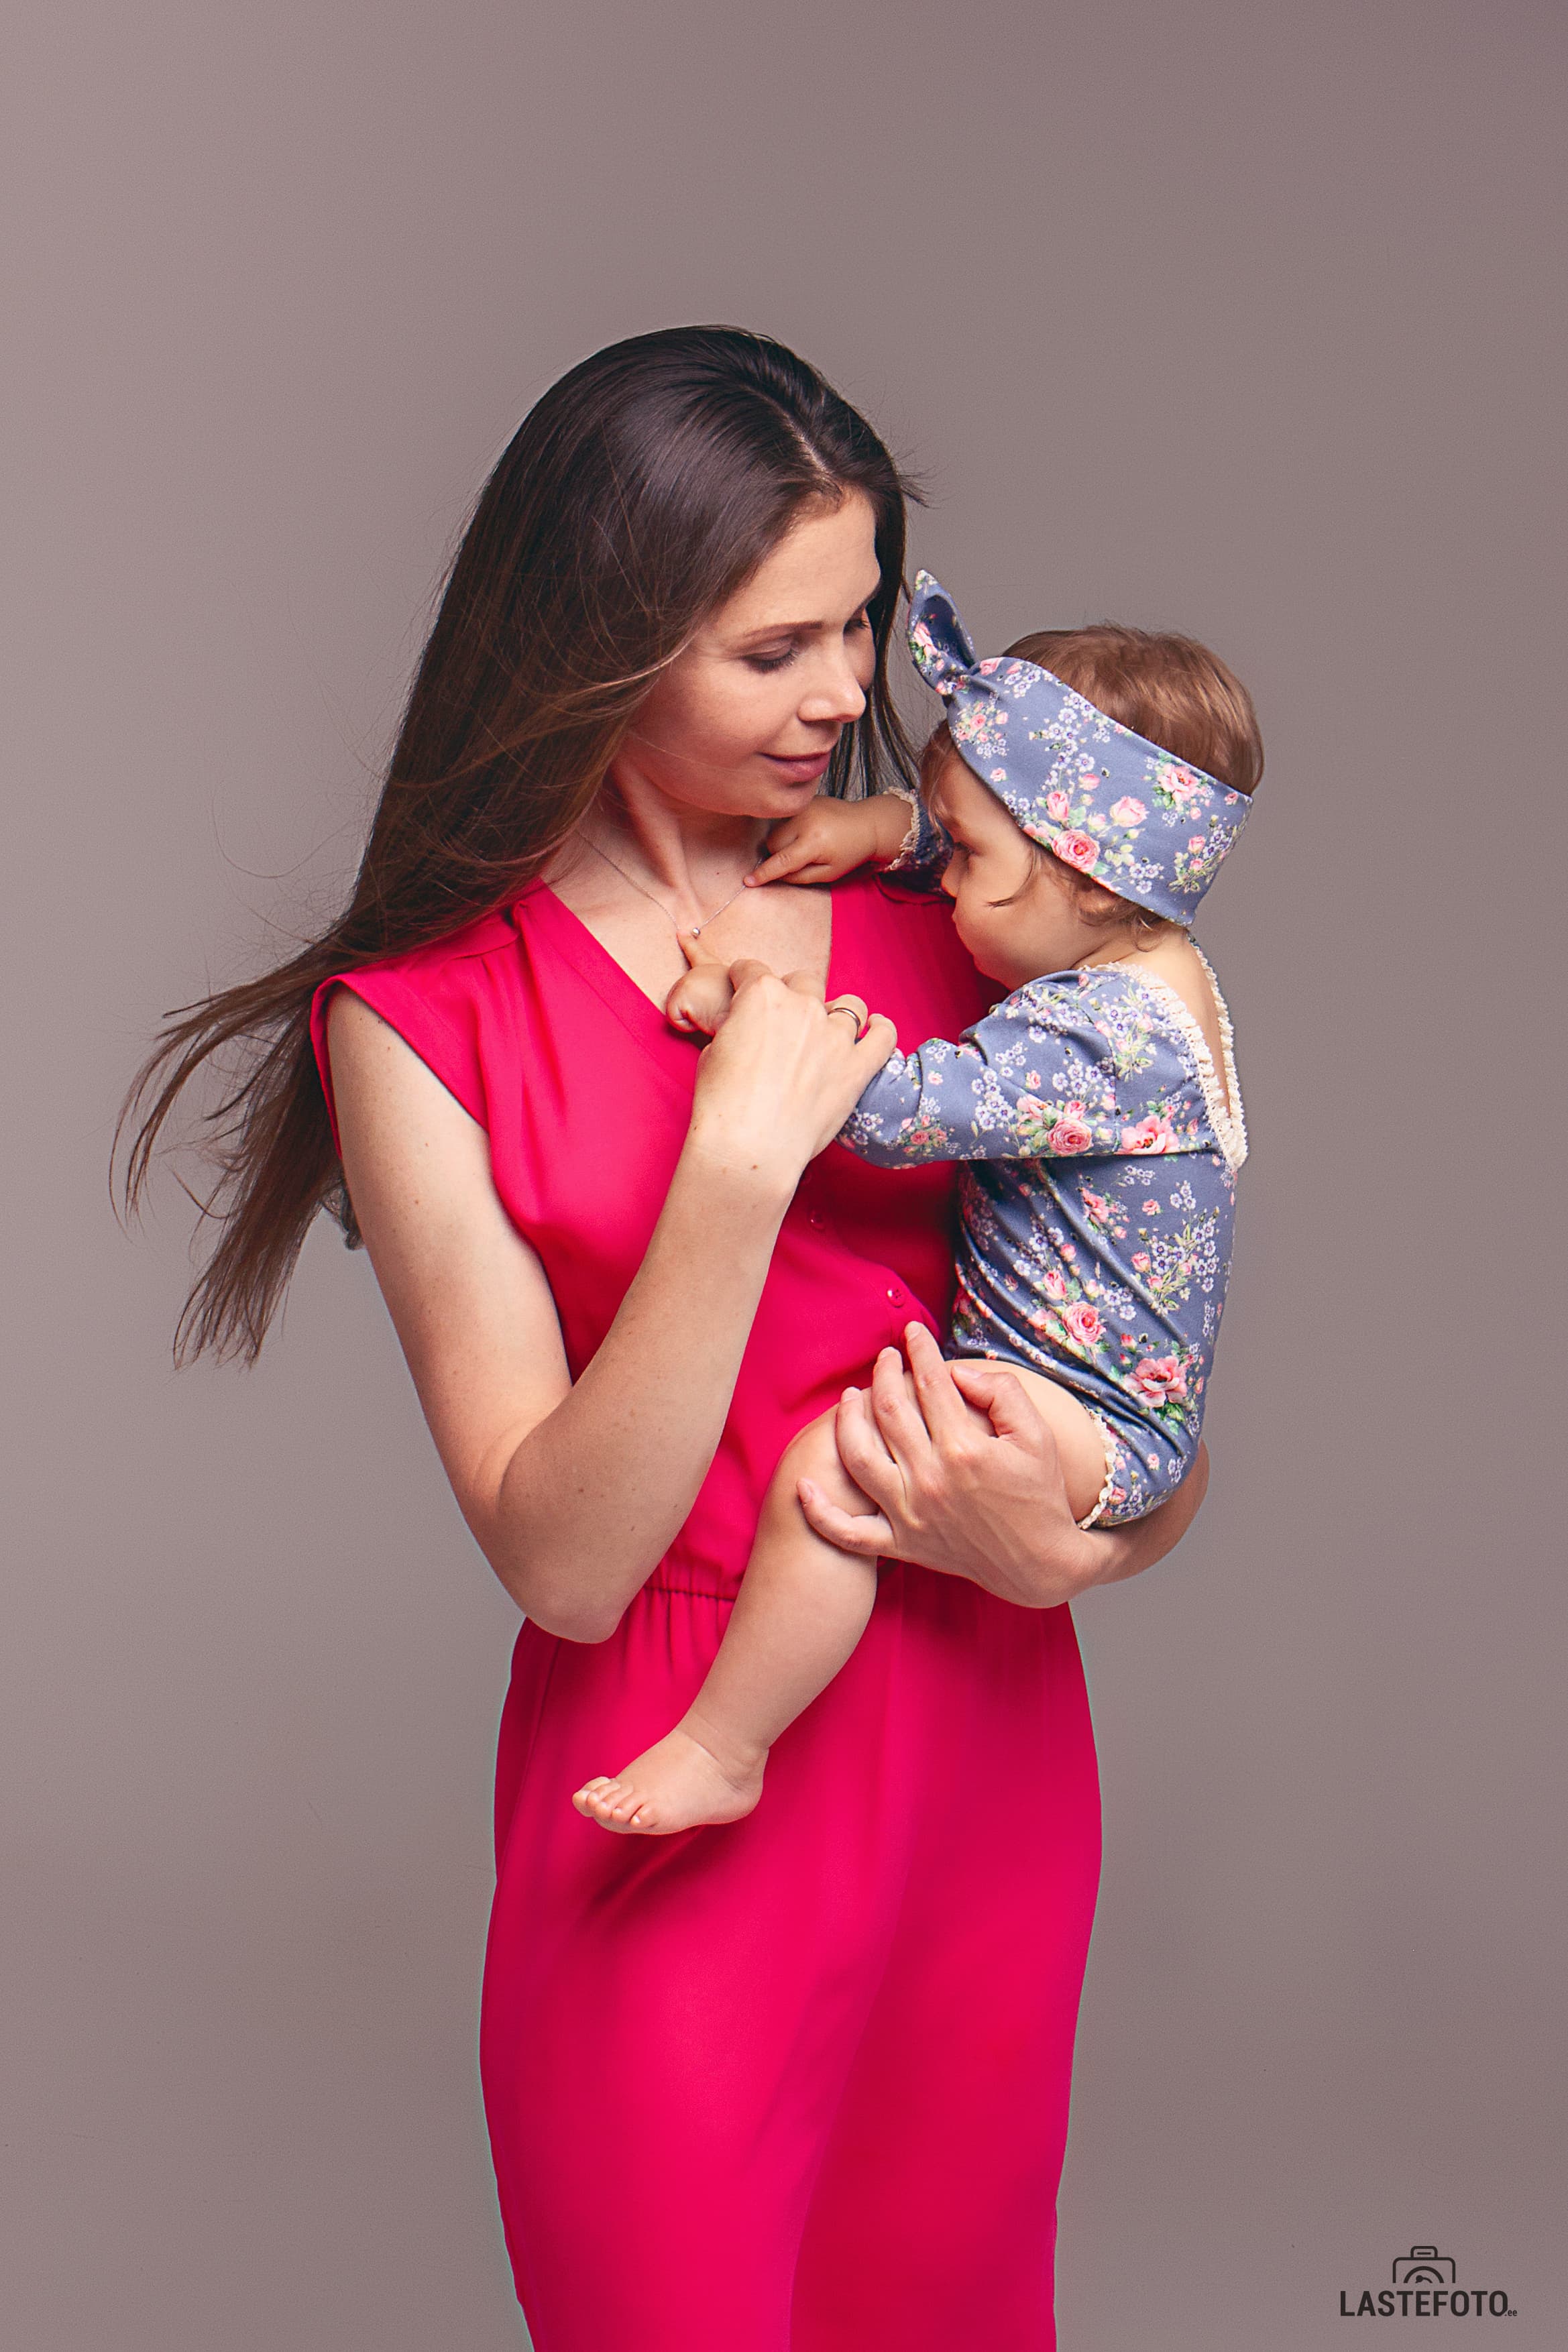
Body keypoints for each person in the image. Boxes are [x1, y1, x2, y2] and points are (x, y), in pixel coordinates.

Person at [120, 326, 1208, 2352]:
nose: (845, 697)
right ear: (599, 641)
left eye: (863, 622)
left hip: (984, 1746)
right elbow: (564, 1554)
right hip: (675, 1771)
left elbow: (1146, 1358)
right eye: (770, 646)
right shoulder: (423, 1017)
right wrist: (736, 1168)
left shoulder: (964, 919)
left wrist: (1089, 1538)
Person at [575, 572, 1259, 1840]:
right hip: (1096, 1397)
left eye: (967, 859)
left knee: (839, 1467)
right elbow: (997, 842)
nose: (943, 890)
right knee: (856, 1468)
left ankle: (728, 1745)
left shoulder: (1106, 1043)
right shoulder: (1138, 956)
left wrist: (754, 1010)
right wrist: (887, 828)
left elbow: (897, 1112)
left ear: (1086, 874)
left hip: (1092, 1420)